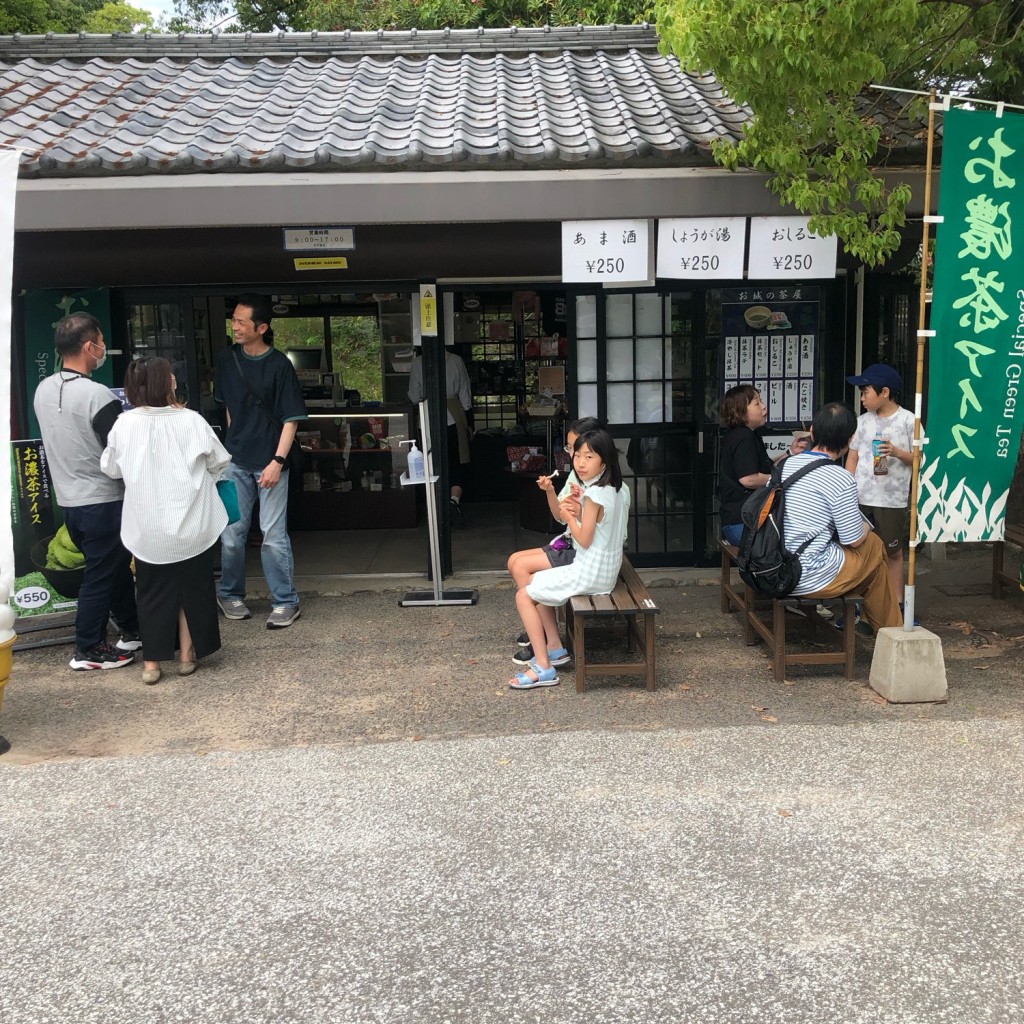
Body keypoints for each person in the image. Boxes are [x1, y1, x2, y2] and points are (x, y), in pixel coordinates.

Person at [101, 358, 231, 685]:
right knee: (193, 590)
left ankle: (152, 664)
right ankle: (187, 656)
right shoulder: (192, 421)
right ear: (166, 383)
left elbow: (111, 469)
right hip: (193, 526)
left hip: (147, 530)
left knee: (151, 594)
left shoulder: (124, 424)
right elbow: (220, 462)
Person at [32, 312, 140, 671]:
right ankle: (88, 647)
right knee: (100, 575)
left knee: (114, 568)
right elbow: (120, 450)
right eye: (101, 343)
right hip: (103, 500)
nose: (104, 350)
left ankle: (132, 628)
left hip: (70, 503)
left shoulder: (44, 389)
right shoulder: (98, 396)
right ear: (89, 346)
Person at [214, 294, 307, 629]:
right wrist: (232, 445)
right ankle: (229, 594)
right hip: (235, 461)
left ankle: (285, 601)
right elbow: (228, 406)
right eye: (234, 320)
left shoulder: (279, 364)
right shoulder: (227, 359)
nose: (235, 326)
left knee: (272, 534)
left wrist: (277, 461)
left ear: (262, 328)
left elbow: (291, 419)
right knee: (231, 534)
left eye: (241, 321)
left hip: (271, 461)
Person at [509, 428, 628, 690]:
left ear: (604, 461)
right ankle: (551, 651)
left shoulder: (595, 494)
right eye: (577, 457)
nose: (581, 463)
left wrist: (571, 515)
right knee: (536, 581)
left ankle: (544, 668)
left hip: (591, 571)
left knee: (523, 595)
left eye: (589, 457)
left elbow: (583, 540)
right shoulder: (614, 489)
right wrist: (578, 511)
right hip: (603, 569)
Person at [780, 402, 903, 634]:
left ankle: (879, 625)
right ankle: (892, 635)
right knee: (875, 546)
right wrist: (868, 527)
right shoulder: (840, 478)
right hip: (808, 575)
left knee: (874, 570)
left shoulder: (787, 464)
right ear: (850, 440)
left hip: (774, 564)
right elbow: (853, 540)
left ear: (813, 431)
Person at [844, 363, 920, 612]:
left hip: (892, 500)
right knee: (858, 551)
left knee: (893, 552)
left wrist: (897, 452)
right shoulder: (861, 422)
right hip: (861, 497)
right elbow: (853, 457)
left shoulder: (909, 421)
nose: (863, 398)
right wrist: (846, 488)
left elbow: (921, 460)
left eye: (866, 392)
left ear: (884, 392)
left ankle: (897, 604)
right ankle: (857, 605)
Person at [719, 384, 810, 546]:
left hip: (740, 522)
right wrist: (783, 479)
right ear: (740, 411)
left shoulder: (746, 434)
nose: (764, 406)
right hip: (743, 524)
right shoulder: (743, 437)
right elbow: (749, 479)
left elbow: (766, 469)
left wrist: (790, 453)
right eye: (757, 403)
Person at [407, 347, 473, 526]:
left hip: (427, 416)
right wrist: (467, 416)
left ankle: (435, 506)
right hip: (453, 413)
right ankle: (454, 501)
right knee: (458, 460)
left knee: (430, 464)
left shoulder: (418, 362)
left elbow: (413, 395)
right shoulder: (456, 360)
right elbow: (465, 393)